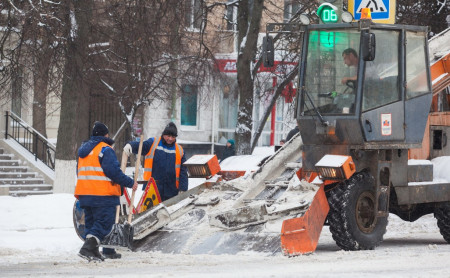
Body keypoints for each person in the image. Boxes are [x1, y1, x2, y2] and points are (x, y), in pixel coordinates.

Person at [75, 121, 138, 261]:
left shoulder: (83, 151)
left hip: (85, 194)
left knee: (91, 223)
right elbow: (113, 172)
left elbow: (79, 172)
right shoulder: (105, 149)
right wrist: (130, 183)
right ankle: (87, 249)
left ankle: (94, 251)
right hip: (102, 195)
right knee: (104, 223)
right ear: (106, 135)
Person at [123, 122, 188, 201]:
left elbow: (183, 171)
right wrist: (131, 145)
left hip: (172, 191)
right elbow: (142, 146)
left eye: (173, 136)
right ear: (163, 134)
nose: (170, 139)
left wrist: (183, 189)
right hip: (152, 190)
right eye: (168, 136)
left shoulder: (180, 150)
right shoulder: (153, 142)